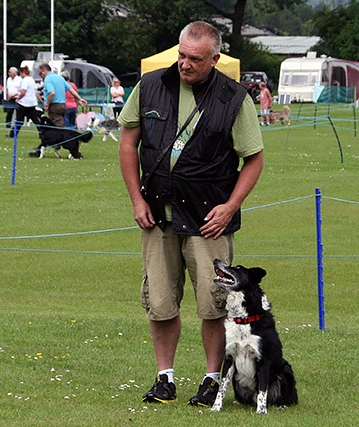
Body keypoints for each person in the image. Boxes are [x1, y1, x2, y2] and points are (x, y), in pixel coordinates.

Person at [117, 21, 264, 407]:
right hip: (157, 216)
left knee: (213, 305)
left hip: (207, 220)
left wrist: (230, 206)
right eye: (181, 54)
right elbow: (128, 141)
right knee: (160, 302)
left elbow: (254, 159)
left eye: (194, 59)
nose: (184, 63)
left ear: (214, 59)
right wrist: (136, 200)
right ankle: (164, 379)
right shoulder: (149, 85)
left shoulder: (235, 98)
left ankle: (212, 380)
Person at [37, 63, 87, 127]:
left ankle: (62, 136)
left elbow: (52, 93)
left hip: (54, 106)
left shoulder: (48, 79)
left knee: (57, 126)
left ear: (44, 71)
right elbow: (71, 89)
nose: (40, 75)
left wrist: (47, 105)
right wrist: (80, 99)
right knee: (64, 123)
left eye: (40, 73)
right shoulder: (60, 78)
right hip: (63, 105)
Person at [8, 65, 40, 139]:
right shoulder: (31, 79)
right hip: (31, 103)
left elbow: (23, 92)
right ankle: (42, 133)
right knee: (35, 120)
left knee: (19, 120)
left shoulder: (25, 80)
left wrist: (18, 99)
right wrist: (14, 95)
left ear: (23, 73)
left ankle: (12, 134)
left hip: (24, 103)